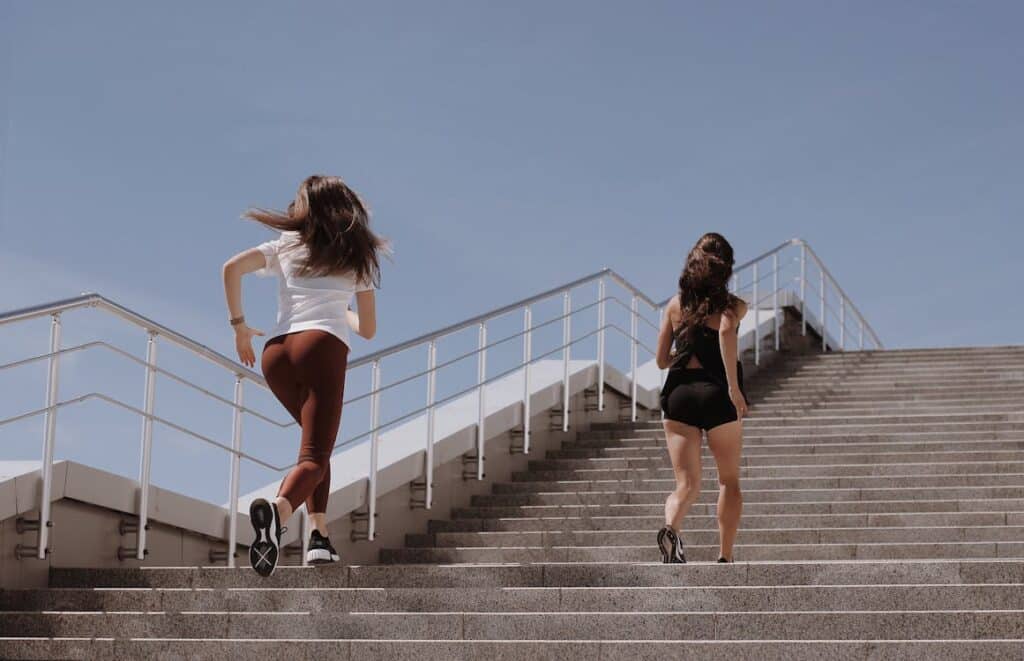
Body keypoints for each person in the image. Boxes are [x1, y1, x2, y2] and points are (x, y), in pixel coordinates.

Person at [221, 175, 386, 577]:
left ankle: (319, 537)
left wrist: (240, 327)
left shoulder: (286, 245)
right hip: (321, 349)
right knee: (315, 455)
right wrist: (340, 308)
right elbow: (367, 329)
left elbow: (231, 269)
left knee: (315, 449)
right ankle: (276, 515)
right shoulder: (356, 254)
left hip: (276, 354)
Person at [654, 232, 748, 564]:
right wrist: (734, 389)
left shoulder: (674, 306)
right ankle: (724, 555)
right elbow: (724, 330)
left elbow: (661, 361)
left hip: (679, 395)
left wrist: (685, 342)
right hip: (717, 395)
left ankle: (671, 528)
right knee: (729, 480)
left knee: (687, 484)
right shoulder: (734, 306)